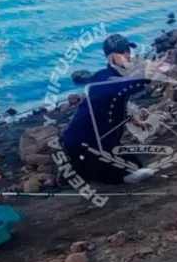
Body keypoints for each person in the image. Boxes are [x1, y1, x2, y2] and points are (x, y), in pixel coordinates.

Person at [61, 33, 163, 185]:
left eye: (128, 50)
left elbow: (127, 86)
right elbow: (122, 86)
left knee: (136, 164)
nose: (127, 55)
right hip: (81, 144)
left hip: (105, 143)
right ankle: (75, 168)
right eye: (121, 52)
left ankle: (92, 165)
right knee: (113, 175)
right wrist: (144, 76)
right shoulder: (102, 78)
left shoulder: (122, 75)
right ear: (110, 57)